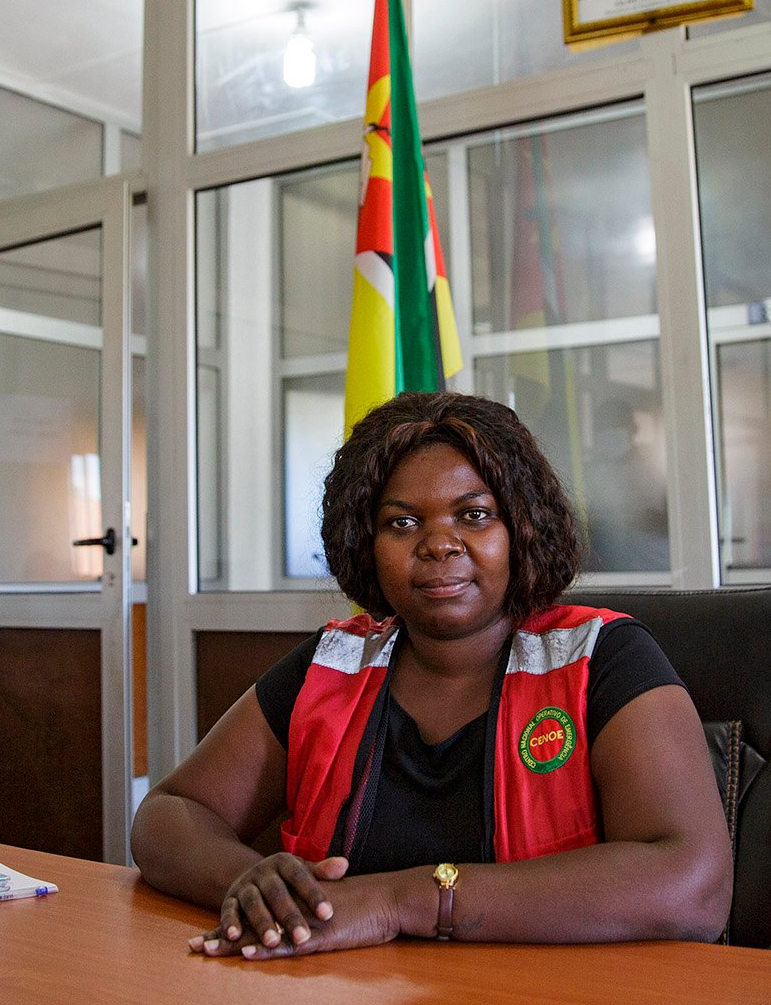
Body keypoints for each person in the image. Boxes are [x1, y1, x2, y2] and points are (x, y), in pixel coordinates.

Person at [132, 391, 731, 958]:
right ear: (364, 542)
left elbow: (693, 883)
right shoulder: (332, 666)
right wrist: (261, 888)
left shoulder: (604, 657)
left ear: (520, 528)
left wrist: (401, 901)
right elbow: (169, 814)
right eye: (402, 523)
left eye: (473, 515)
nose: (439, 544)